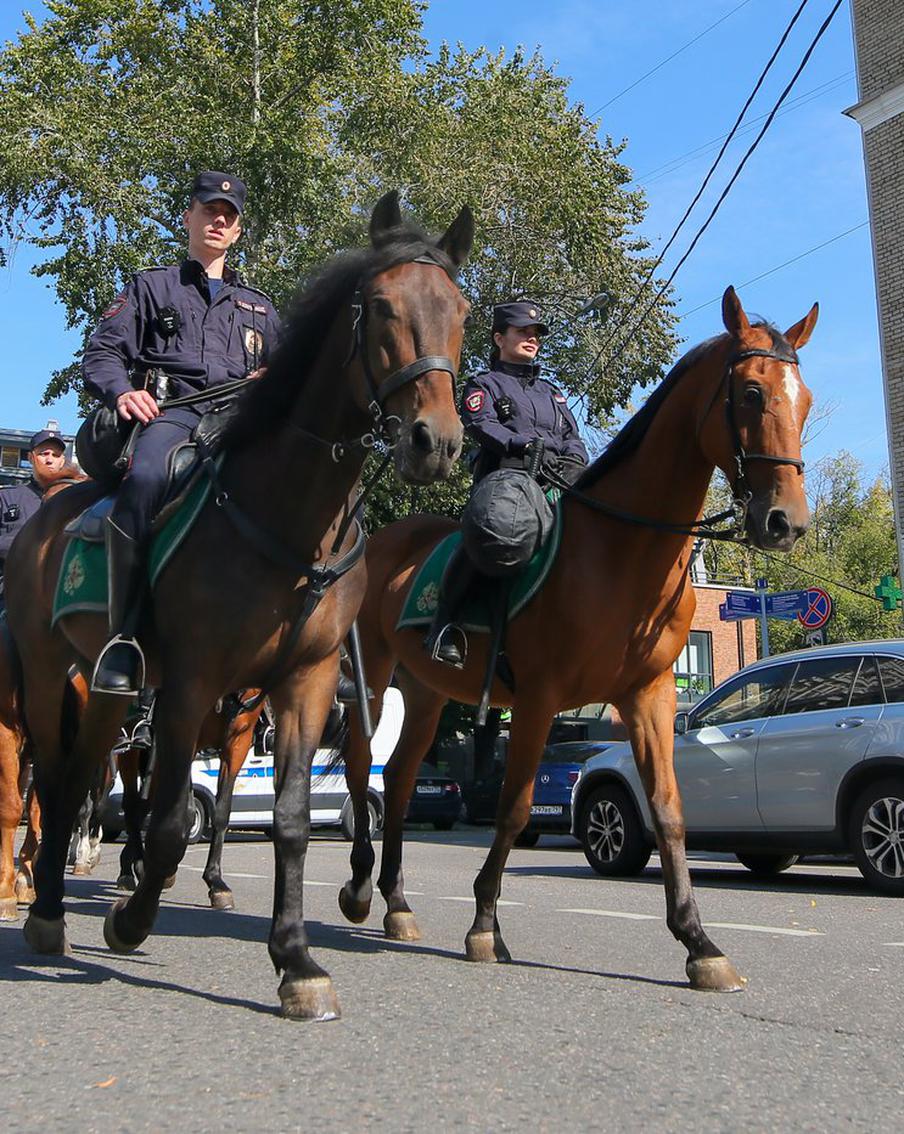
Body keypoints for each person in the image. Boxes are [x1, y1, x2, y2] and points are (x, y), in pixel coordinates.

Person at [82, 170, 281, 695]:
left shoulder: (261, 308)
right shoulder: (151, 287)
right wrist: (123, 392)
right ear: (187, 217)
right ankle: (122, 634)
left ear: (237, 232)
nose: (219, 220)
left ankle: (318, 645)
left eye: (229, 215)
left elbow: (293, 378)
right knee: (146, 478)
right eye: (210, 210)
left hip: (242, 425)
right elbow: (103, 353)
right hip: (175, 417)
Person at [424, 300, 589, 667]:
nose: (531, 338)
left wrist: (575, 460)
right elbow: (481, 424)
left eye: (535, 334)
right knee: (496, 527)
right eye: (522, 332)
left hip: (554, 482)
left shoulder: (551, 393)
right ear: (500, 338)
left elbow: (572, 436)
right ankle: (445, 624)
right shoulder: (484, 384)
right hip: (506, 479)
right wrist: (521, 444)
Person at [0, 429, 77, 581]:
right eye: (44, 453)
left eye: (55, 455)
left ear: (62, 460)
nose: (49, 460)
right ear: (30, 458)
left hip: (59, 591)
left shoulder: (74, 500)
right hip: (10, 588)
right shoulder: (7, 496)